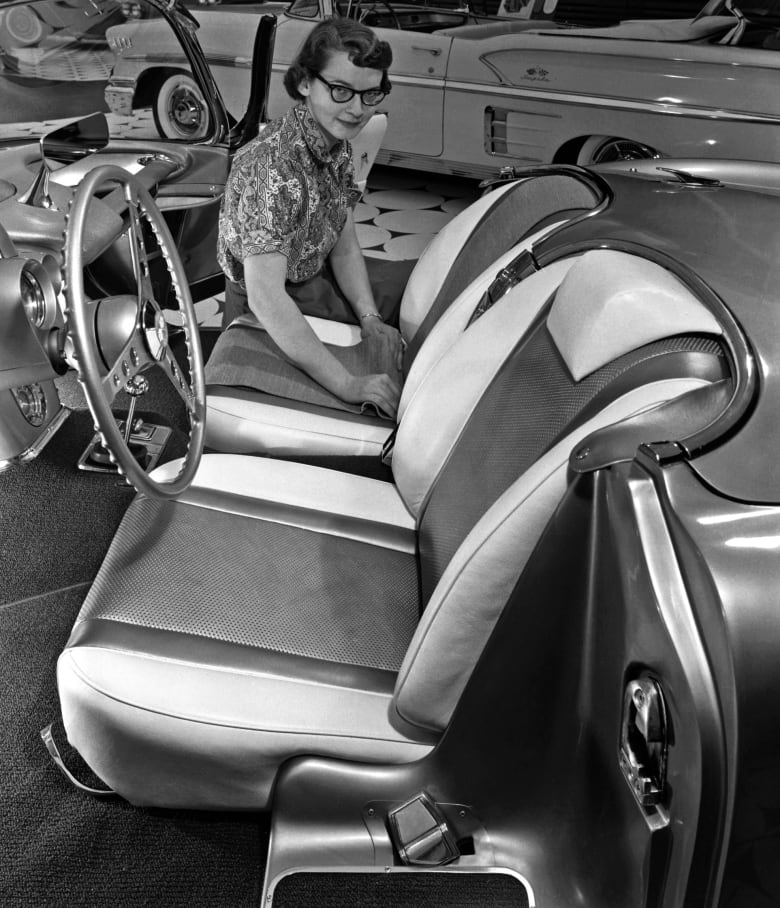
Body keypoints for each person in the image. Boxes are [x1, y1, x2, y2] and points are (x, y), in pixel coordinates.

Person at [216, 18, 411, 419]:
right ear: (305, 82)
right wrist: (348, 384)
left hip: (310, 274)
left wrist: (370, 318)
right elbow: (266, 298)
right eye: (341, 90)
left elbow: (343, 243)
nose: (358, 110)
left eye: (370, 93)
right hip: (270, 301)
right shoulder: (269, 166)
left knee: (420, 283)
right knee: (414, 299)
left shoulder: (333, 143)